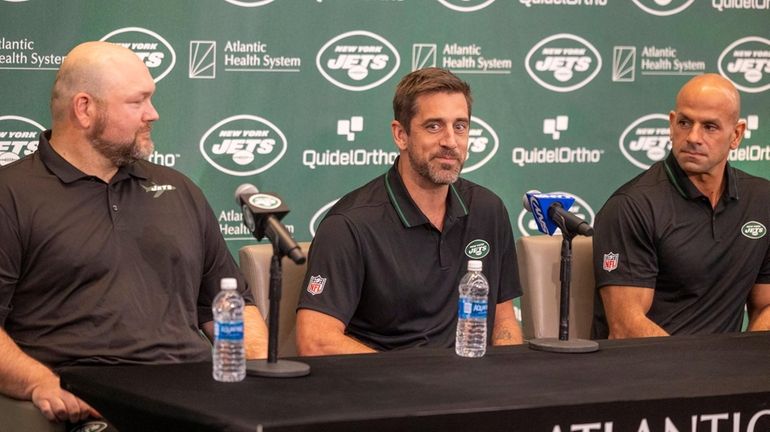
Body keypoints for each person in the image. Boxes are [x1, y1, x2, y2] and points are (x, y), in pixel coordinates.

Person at [0, 41, 268, 428]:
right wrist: (41, 382)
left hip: (196, 398)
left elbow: (229, 305)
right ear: (85, 109)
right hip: (91, 403)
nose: (153, 114)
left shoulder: (180, 190)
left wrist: (255, 375)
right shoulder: (11, 196)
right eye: (137, 102)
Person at [295, 67, 523, 355]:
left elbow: (504, 322)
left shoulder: (488, 210)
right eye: (434, 126)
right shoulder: (350, 224)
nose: (451, 141)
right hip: (390, 392)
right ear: (401, 135)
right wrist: (407, 380)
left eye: (460, 126)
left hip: (477, 390)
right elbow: (315, 341)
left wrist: (508, 377)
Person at [592, 73, 770, 339]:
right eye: (685, 123)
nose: (693, 137)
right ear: (672, 124)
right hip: (648, 371)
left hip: (728, 374)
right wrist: (697, 375)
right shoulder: (632, 207)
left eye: (710, 127)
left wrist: (744, 363)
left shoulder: (761, 200)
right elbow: (626, 327)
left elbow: (766, 305)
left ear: (736, 135)